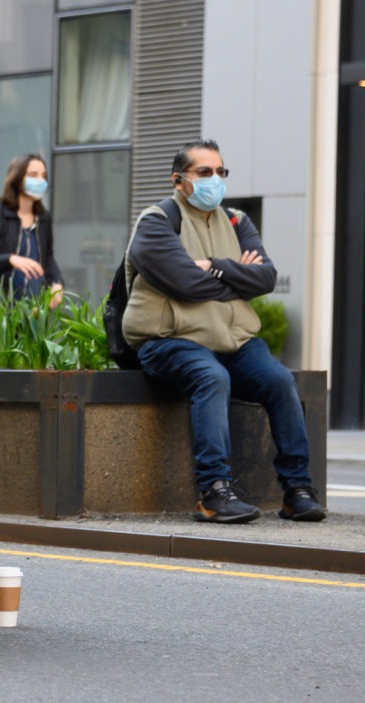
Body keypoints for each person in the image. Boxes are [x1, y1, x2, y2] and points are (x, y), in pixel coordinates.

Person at [122, 139, 325, 524]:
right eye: (204, 172)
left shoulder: (236, 220)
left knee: (281, 381)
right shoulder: (156, 221)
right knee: (211, 377)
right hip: (170, 341)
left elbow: (265, 277)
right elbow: (184, 283)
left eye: (220, 172)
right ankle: (214, 491)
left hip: (233, 340)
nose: (214, 180)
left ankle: (297, 490)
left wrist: (213, 265)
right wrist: (237, 273)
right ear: (178, 180)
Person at [0, 153, 64, 308]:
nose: (40, 181)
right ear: (17, 179)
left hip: (33, 310)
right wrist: (10, 260)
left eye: (43, 176)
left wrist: (57, 283)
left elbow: (48, 257)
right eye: (33, 175)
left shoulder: (43, 218)